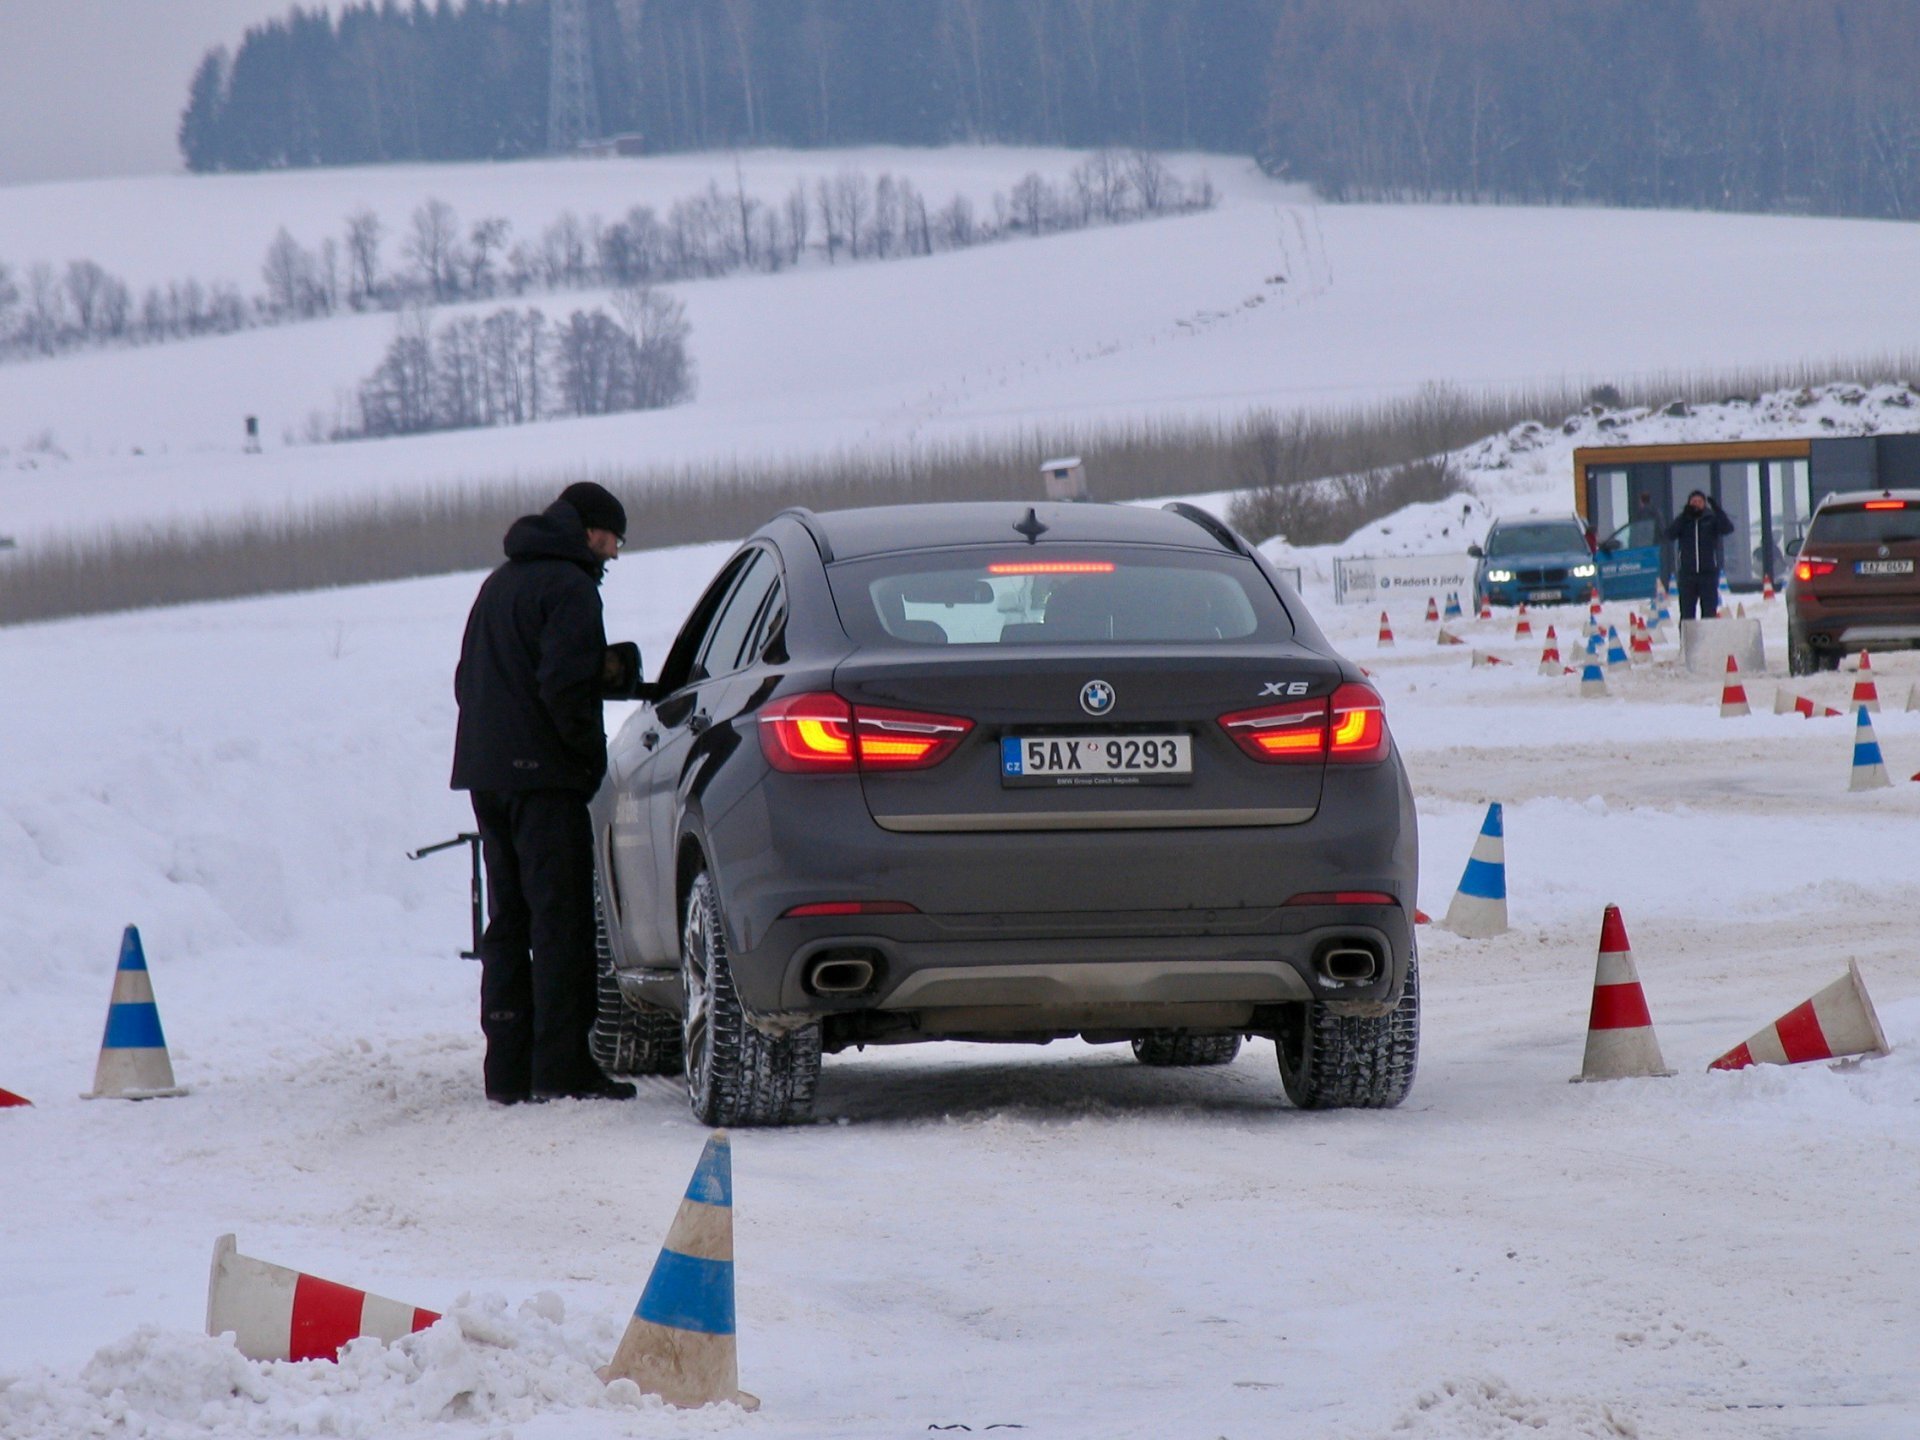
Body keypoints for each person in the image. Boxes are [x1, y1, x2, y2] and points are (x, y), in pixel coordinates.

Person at [451, 481, 640, 1105]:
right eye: (612, 538)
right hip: (545, 781)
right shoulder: (571, 588)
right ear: (589, 531)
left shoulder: (499, 584)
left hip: (488, 776)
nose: (614, 552)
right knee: (560, 925)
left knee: (509, 921)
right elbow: (566, 686)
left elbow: (465, 680)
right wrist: (589, 765)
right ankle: (562, 1070)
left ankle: (506, 1072)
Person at [1665, 488, 1735, 620]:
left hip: (1708, 574)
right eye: (1693, 501)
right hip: (1688, 575)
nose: (1696, 504)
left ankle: (1707, 640)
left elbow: (1727, 528)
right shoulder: (1684, 521)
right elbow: (1669, 534)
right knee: (1687, 614)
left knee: (1709, 613)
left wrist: (1717, 509)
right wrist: (1684, 516)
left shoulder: (1711, 520)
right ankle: (1687, 640)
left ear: (1704, 504)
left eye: (1699, 501)